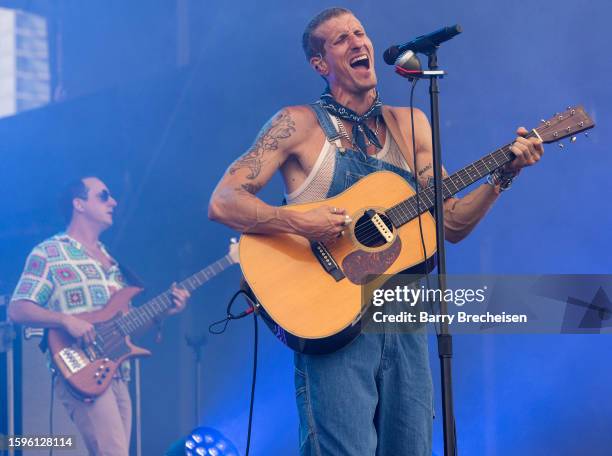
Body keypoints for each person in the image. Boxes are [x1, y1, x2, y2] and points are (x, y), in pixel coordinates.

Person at [208, 7, 544, 455]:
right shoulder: (298, 124)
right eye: (341, 39)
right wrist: (298, 219)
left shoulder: (411, 125)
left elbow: (454, 223)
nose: (358, 43)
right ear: (320, 64)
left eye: (360, 33)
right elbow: (224, 200)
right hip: (331, 319)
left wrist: (504, 176)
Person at [8, 176, 190, 456]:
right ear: (78, 204)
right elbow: (18, 308)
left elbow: (122, 331)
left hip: (116, 373)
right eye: (104, 196)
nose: (114, 202)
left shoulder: (112, 264)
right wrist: (66, 320)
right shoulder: (50, 253)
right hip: (79, 367)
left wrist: (162, 312)